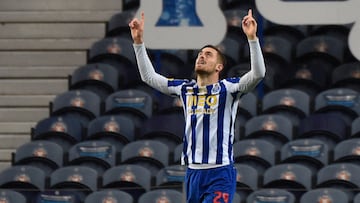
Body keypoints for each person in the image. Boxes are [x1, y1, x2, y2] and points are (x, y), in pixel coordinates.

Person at [129, 9, 265, 203]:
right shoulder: (185, 89)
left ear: (219, 67)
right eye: (200, 54)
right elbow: (149, 77)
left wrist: (252, 38)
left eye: (208, 55)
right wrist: (139, 43)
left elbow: (258, 74)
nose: (202, 56)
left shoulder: (228, 89)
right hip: (193, 173)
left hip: (220, 172)